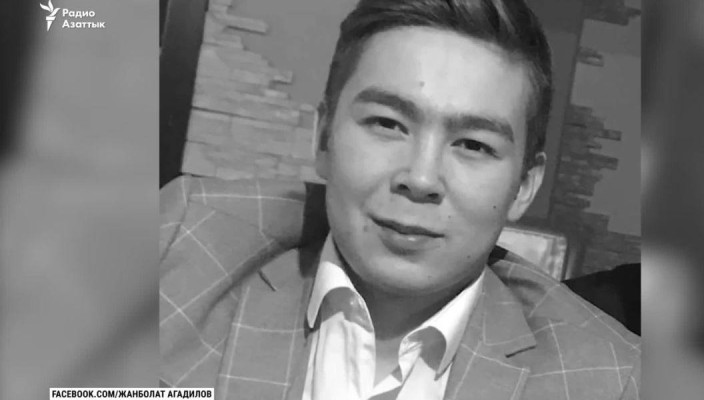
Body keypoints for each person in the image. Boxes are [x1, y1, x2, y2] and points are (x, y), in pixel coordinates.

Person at [159, 0, 640, 399]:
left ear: (525, 186)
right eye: (388, 124)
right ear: (323, 138)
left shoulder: (610, 380)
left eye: (474, 145)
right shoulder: (178, 246)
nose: (421, 178)